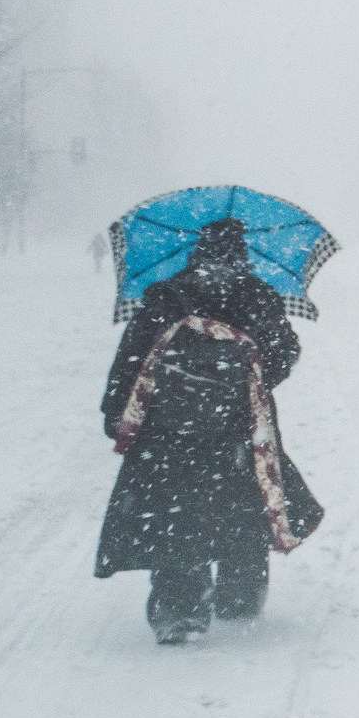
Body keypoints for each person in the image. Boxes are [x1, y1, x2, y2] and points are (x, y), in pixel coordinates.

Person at [95, 217, 323, 643]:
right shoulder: (259, 298)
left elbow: (132, 358)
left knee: (177, 516)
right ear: (242, 254)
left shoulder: (166, 296)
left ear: (196, 251)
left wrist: (117, 415)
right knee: (241, 511)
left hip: (169, 434)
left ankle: (178, 609)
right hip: (237, 428)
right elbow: (279, 359)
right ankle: (240, 595)